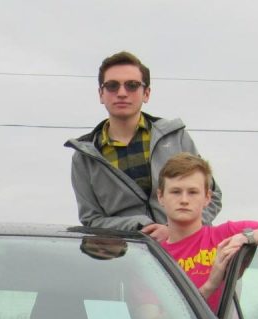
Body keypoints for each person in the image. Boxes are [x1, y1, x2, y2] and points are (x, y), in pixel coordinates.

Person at [66, 51, 222, 242]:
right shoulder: (85, 156)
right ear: (101, 94)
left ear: (146, 93)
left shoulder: (175, 137)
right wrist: (140, 226)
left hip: (188, 254)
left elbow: (212, 197)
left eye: (132, 85)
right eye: (112, 86)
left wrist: (175, 231)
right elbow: (91, 220)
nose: (122, 93)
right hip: (127, 258)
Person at [157, 153, 258, 310]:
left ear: (207, 198)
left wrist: (247, 237)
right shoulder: (151, 258)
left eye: (193, 192)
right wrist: (210, 286)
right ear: (160, 197)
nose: (184, 200)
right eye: (176, 191)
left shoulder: (226, 235)